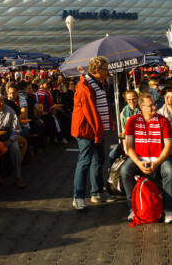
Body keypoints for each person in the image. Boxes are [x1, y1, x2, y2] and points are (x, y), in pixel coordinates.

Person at [71, 56, 116, 210]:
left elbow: (102, 105)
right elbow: (90, 112)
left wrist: (108, 122)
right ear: (97, 71)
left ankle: (96, 192)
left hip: (96, 129)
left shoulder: (97, 83)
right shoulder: (85, 86)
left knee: (98, 160)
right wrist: (98, 132)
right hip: (87, 130)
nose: (108, 72)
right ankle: (78, 197)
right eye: (105, 69)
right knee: (85, 162)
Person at [121, 93, 172, 223]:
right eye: (150, 106)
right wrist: (138, 163)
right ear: (141, 107)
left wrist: (157, 163)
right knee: (125, 170)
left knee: (170, 171)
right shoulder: (132, 121)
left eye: (155, 104)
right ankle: (133, 208)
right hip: (139, 159)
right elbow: (129, 147)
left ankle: (168, 209)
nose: (154, 107)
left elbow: (168, 147)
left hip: (159, 158)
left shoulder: (163, 121)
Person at [0, 92, 25, 189]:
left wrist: (10, 140)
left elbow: (16, 129)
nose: (1, 103)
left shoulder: (10, 111)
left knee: (15, 149)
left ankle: (18, 176)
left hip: (8, 137)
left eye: (2, 101)